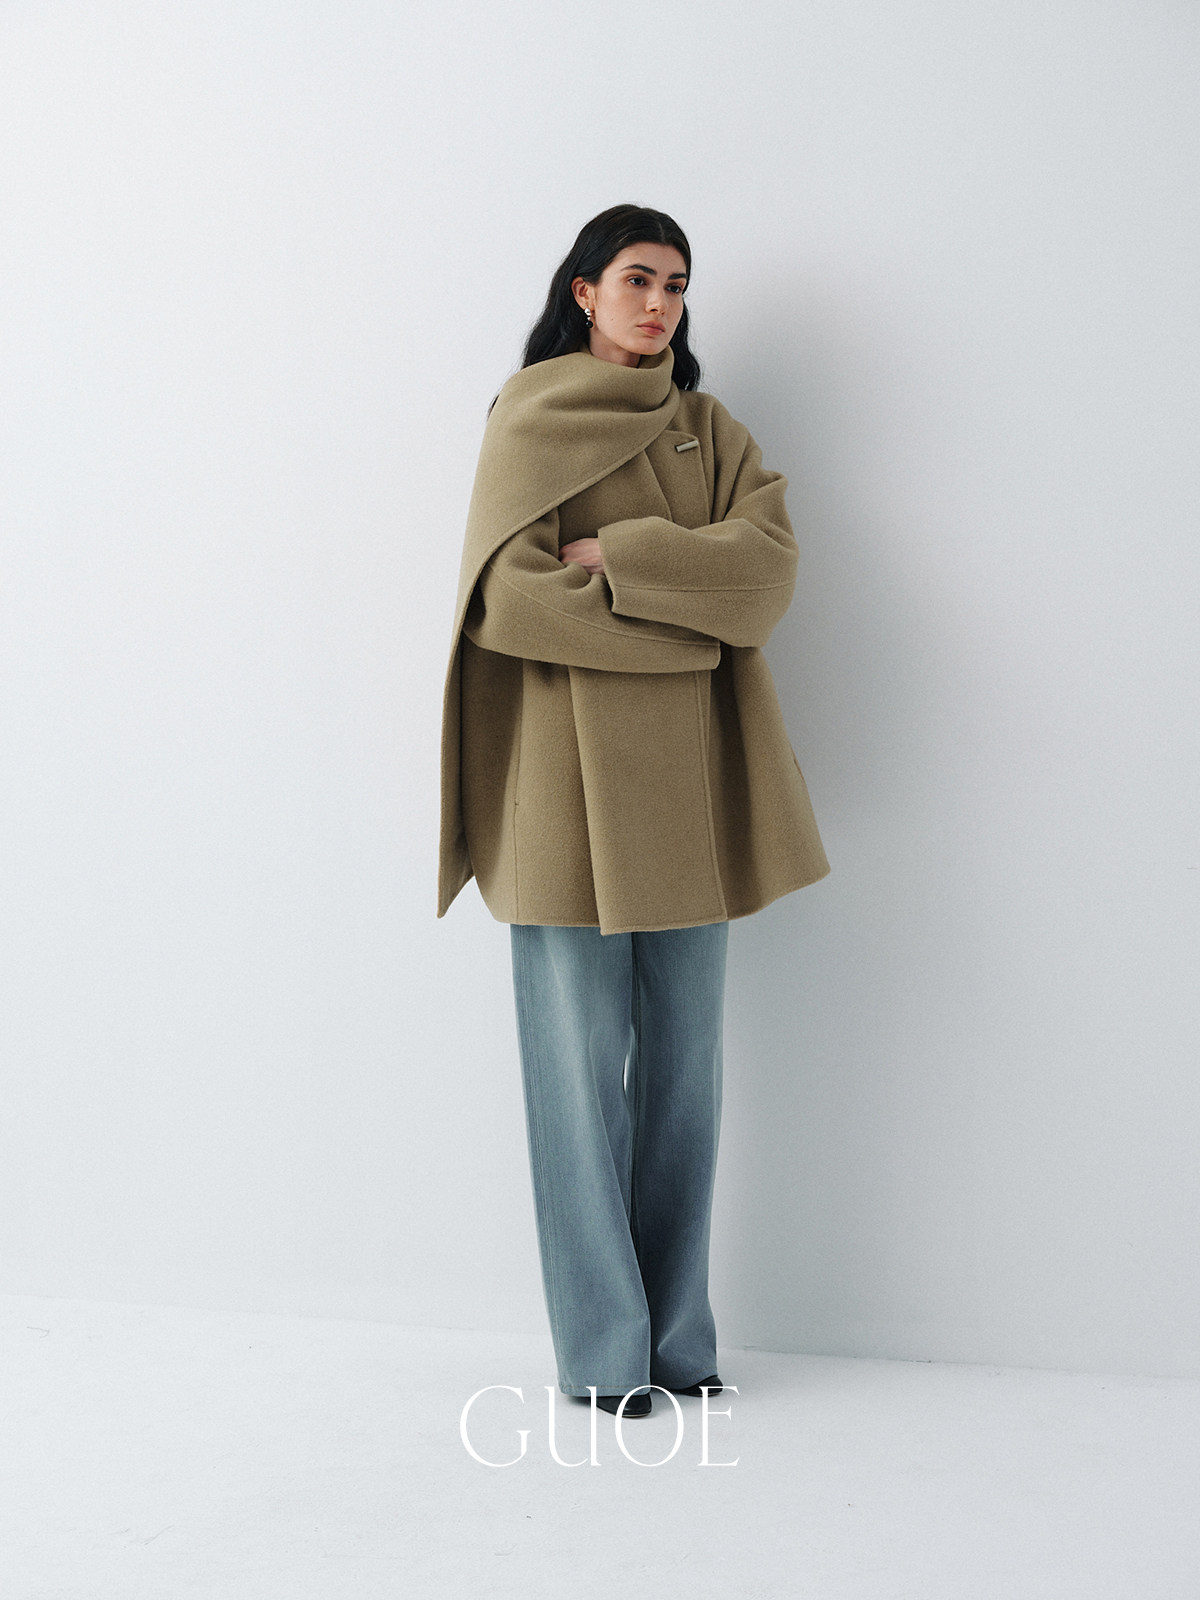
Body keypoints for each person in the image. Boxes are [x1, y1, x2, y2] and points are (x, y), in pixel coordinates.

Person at [438, 204, 828, 1417]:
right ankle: (605, 1353)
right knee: (575, 1085)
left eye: (677, 284)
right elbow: (511, 602)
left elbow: (766, 577)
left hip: (692, 795)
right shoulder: (528, 416)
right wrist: (687, 625)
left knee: (686, 1082)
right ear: (585, 290)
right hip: (559, 793)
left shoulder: (711, 430)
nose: (660, 303)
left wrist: (628, 557)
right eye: (638, 279)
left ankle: (679, 1337)